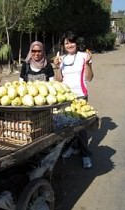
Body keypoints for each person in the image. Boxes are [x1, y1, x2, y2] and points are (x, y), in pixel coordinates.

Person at [54, 30, 94, 169]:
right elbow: (59, 80)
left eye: (72, 42)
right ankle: (72, 147)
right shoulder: (62, 59)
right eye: (67, 43)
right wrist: (57, 67)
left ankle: (85, 155)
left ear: (76, 43)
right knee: (68, 125)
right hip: (65, 98)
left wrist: (88, 63)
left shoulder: (84, 56)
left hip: (80, 95)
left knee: (81, 128)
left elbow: (89, 78)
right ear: (63, 45)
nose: (70, 45)